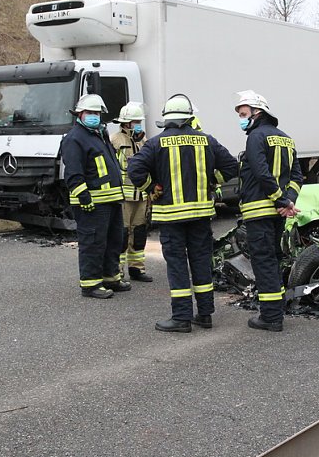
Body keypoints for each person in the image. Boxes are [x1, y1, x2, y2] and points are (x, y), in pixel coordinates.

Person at [127, 94, 237, 333]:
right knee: (201, 262)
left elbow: (134, 169)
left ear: (167, 120)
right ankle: (205, 314)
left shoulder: (156, 143)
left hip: (171, 217)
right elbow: (231, 166)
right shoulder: (207, 141)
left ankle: (181, 318)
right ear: (189, 118)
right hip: (200, 215)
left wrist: (150, 188)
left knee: (177, 266)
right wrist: (211, 182)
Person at [235, 90, 303, 332]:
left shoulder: (255, 137)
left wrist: (280, 200)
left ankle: (271, 317)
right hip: (278, 213)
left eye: (244, 114)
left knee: (263, 262)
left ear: (257, 112)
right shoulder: (286, 138)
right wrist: (289, 200)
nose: (241, 119)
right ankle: (275, 311)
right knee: (273, 259)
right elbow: (297, 176)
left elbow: (261, 172)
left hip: (259, 210)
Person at [60, 94, 131, 299]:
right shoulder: (74, 138)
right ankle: (90, 284)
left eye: (97, 113)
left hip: (110, 200)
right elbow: (73, 172)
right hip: (92, 203)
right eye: (90, 113)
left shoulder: (98, 135)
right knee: (93, 243)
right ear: (80, 114)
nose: (94, 116)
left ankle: (110, 277)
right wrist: (84, 197)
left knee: (113, 240)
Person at [109, 101, 154, 283]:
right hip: (124, 196)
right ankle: (117, 271)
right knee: (122, 234)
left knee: (140, 232)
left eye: (139, 121)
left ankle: (137, 268)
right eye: (135, 121)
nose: (138, 125)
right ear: (126, 123)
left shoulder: (144, 140)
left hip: (142, 195)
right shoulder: (115, 140)